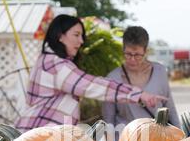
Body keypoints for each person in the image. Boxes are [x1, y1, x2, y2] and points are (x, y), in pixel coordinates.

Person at [15, 15, 166, 132]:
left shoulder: (47, 60)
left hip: (38, 136)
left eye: (82, 36)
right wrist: (137, 94)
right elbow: (91, 85)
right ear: (60, 36)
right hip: (37, 139)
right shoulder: (55, 64)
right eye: (76, 35)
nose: (81, 41)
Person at [102, 26, 180, 128]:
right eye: (128, 54)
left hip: (157, 138)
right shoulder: (113, 78)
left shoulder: (159, 71)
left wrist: (181, 135)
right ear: (123, 49)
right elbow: (108, 119)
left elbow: (170, 108)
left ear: (146, 51)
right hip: (125, 139)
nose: (132, 59)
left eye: (138, 55)